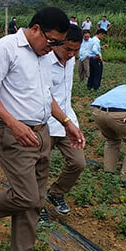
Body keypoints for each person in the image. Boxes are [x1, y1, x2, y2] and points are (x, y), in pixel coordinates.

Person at [0, 7, 84, 251]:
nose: (55, 49)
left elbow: (48, 95)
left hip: (42, 131)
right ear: (36, 29)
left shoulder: (43, 56)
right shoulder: (6, 48)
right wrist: (13, 123)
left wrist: (67, 122)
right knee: (27, 197)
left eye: (59, 43)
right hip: (14, 134)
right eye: (52, 41)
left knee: (37, 198)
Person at [44, 25, 85, 215]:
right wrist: (65, 120)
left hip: (67, 122)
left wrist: (69, 122)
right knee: (39, 167)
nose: (71, 54)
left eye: (76, 50)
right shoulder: (43, 61)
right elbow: (46, 96)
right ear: (57, 43)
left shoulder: (71, 61)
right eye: (68, 49)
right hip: (46, 123)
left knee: (78, 163)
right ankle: (36, 208)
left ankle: (56, 192)